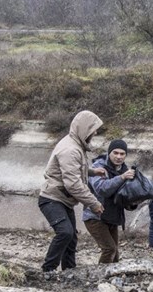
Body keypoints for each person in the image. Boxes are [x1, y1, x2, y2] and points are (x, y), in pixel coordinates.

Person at [38, 110, 104, 273]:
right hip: (51, 198)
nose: (95, 133)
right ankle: (48, 270)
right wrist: (93, 203)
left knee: (72, 237)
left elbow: (75, 169)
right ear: (84, 129)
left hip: (62, 199)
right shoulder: (71, 149)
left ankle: (69, 270)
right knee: (65, 233)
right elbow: (73, 184)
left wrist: (93, 171)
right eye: (93, 130)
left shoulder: (75, 144)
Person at [84, 138, 137, 264]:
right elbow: (101, 189)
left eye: (122, 154)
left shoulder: (124, 170)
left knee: (115, 254)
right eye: (115, 153)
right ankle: (100, 278)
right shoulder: (98, 167)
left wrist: (133, 202)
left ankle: (112, 280)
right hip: (95, 216)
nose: (119, 157)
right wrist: (122, 178)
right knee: (109, 249)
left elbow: (123, 197)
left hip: (112, 217)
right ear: (109, 153)